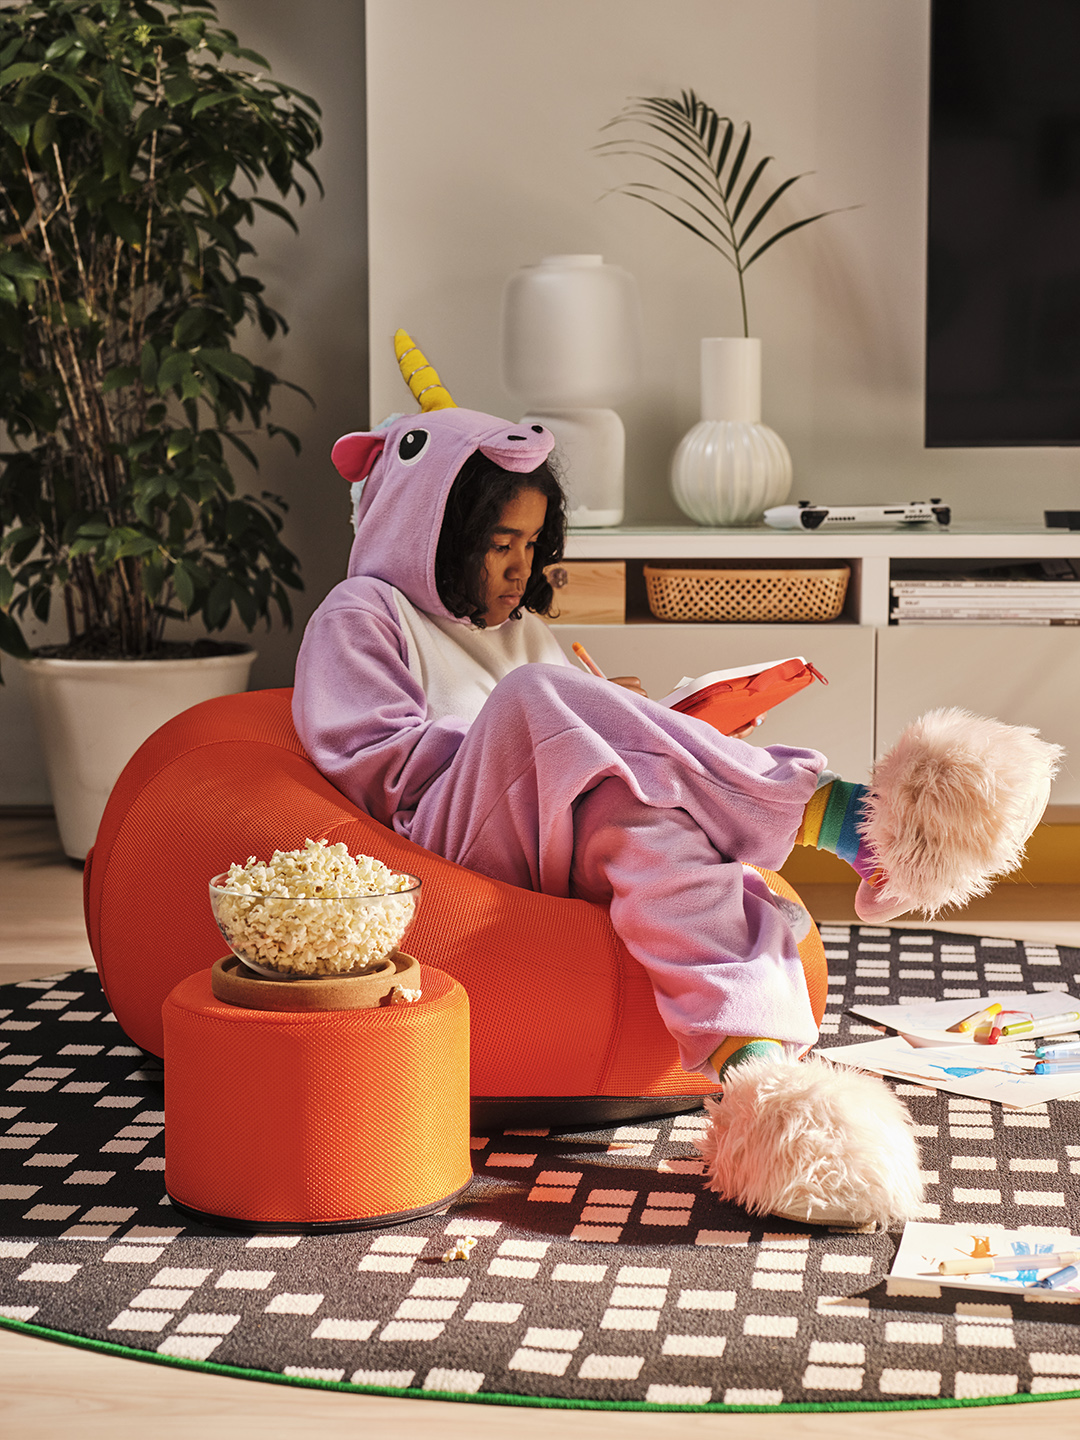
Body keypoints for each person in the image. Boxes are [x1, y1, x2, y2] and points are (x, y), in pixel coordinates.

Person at [292, 340, 1062, 1226]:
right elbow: (376, 765)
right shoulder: (363, 613)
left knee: (639, 817)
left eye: (532, 545)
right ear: (426, 530)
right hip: (445, 832)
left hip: (549, 829)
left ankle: (761, 1083)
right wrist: (548, 726)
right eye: (497, 544)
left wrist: (636, 718)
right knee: (543, 699)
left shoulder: (520, 628)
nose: (517, 567)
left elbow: (573, 749)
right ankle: (851, 818)